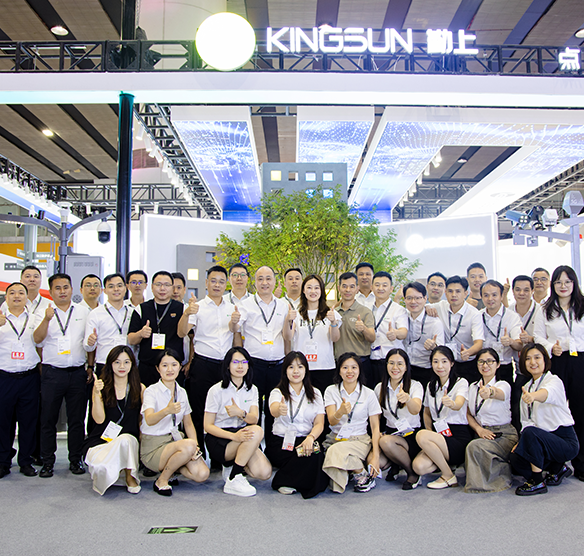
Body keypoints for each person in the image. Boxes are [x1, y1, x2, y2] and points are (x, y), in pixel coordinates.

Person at [33, 273, 90, 478]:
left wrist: (90, 366)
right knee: (48, 419)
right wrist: (47, 320)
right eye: (57, 288)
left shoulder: (83, 312)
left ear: (72, 289)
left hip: (77, 372)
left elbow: (89, 341)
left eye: (65, 287)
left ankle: (75, 460)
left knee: (77, 420)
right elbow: (37, 340)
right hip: (52, 373)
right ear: (50, 292)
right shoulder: (43, 312)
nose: (62, 291)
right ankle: (48, 462)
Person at [180, 265, 240, 452]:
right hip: (203, 364)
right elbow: (182, 332)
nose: (217, 285)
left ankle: (218, 455)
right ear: (206, 283)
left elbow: (235, 335)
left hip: (225, 367)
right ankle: (197, 451)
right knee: (199, 410)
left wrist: (234, 323)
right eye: (213, 281)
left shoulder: (232, 307)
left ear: (226, 284)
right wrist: (187, 313)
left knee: (223, 411)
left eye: (221, 282)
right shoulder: (197, 307)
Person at [533, 265, 584, 481]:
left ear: (574, 283)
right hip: (558, 360)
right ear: (553, 285)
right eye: (558, 282)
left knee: (580, 411)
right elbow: (538, 337)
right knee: (556, 411)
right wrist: (550, 346)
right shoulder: (545, 309)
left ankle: (581, 463)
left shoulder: (582, 306)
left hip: (580, 360)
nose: (563, 286)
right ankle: (557, 465)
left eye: (567, 282)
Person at [510, 344, 579, 496]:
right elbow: (526, 422)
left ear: (545, 360)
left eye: (537, 358)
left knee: (531, 433)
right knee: (515, 459)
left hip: (564, 441)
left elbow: (547, 393)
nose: (532, 362)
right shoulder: (527, 387)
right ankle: (558, 469)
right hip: (542, 440)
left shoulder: (554, 380)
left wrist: (533, 396)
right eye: (528, 359)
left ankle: (537, 482)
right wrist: (521, 443)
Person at [203, 347, 272, 497]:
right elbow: (207, 426)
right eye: (235, 362)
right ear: (228, 365)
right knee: (257, 431)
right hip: (220, 437)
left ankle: (232, 466)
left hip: (242, 433)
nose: (240, 366)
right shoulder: (216, 390)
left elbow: (254, 419)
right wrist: (234, 437)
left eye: (244, 362)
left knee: (264, 472)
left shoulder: (252, 389)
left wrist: (240, 413)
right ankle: (234, 476)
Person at [140, 349, 209, 496]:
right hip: (154, 446)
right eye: (165, 365)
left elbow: (188, 423)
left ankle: (172, 469)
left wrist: (196, 447)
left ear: (180, 367)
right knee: (188, 445)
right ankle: (162, 480)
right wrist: (167, 410)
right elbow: (149, 419)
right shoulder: (151, 391)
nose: (170, 369)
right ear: (158, 369)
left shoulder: (182, 392)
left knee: (202, 474)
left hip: (175, 442)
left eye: (174, 364)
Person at [82, 346, 144, 495]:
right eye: (117, 362)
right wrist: (96, 394)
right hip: (103, 442)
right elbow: (99, 420)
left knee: (126, 440)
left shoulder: (140, 388)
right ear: (110, 364)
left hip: (128, 441)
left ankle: (130, 476)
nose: (122, 366)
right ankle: (116, 468)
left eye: (126, 362)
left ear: (132, 364)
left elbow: (142, 422)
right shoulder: (101, 387)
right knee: (101, 468)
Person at [266, 351, 328, 498]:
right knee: (307, 459)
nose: (296, 371)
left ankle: (289, 480)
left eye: (300, 367)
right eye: (291, 367)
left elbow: (319, 423)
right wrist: (279, 409)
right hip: (281, 441)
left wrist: (311, 438)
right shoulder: (277, 392)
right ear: (285, 371)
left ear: (306, 370)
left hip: (305, 440)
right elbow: (273, 410)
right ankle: (282, 481)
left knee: (317, 455)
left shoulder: (315, 393)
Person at [413, 346, 471, 489]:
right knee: (418, 466)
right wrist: (429, 432)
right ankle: (448, 466)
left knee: (421, 435)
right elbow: (426, 412)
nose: (440, 366)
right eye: (435, 362)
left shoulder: (461, 382)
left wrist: (452, 404)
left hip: (457, 436)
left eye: (444, 361)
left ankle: (448, 475)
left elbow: (459, 404)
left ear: (452, 363)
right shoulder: (431, 386)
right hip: (438, 435)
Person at [0, 282, 42, 478]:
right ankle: (3, 461)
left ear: (27, 297)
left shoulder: (35, 319)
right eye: (12, 293)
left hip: (29, 377)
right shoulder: (0, 318)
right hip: (4, 377)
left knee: (28, 422)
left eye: (20, 293)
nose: (16, 296)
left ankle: (26, 461)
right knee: (3, 422)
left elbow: (41, 342)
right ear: (6, 297)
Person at [322, 353, 381, 493]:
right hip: (336, 438)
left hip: (359, 440)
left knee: (333, 453)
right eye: (345, 367)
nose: (349, 371)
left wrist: (375, 456)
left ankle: (356, 472)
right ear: (339, 370)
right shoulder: (331, 390)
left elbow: (375, 427)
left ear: (359, 370)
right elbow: (331, 421)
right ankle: (359, 470)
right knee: (333, 472)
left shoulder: (368, 393)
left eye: (354, 367)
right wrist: (340, 412)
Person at [239, 266, 288, 427]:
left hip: (277, 365)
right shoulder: (245, 305)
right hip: (254, 365)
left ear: (274, 281)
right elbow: (235, 329)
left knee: (274, 406)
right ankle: (254, 440)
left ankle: (272, 440)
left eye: (268, 278)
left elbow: (287, 335)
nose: (264, 283)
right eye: (260, 279)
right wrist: (233, 321)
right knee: (253, 406)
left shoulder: (283, 305)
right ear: (255, 282)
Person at [464, 348, 518, 493]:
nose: (485, 365)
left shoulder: (503, 385)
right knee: (475, 446)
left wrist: (489, 392)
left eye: (490, 361)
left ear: (498, 364)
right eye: (481, 362)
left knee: (475, 447)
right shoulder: (473, 387)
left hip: (503, 434)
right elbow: (468, 414)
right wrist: (479, 429)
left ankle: (491, 481)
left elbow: (498, 393)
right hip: (482, 432)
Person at [373, 349, 423, 490]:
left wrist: (408, 399)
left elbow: (416, 409)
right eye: (391, 363)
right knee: (380, 462)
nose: (395, 368)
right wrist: (377, 433)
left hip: (410, 434)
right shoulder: (379, 388)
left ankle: (411, 472)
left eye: (400, 364)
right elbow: (376, 417)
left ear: (406, 367)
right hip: (391, 432)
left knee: (386, 442)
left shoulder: (415, 385)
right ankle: (396, 463)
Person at [284, 274, 341, 394]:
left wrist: (333, 322)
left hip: (325, 366)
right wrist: (288, 320)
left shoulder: (330, 313)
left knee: (324, 402)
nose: (313, 291)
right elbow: (288, 337)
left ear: (321, 290)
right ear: (303, 290)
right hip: (302, 368)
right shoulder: (296, 314)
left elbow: (335, 338)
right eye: (309, 287)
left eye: (316, 288)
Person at [128, 270, 186, 387]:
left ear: (172, 287)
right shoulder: (141, 309)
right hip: (148, 367)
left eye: (167, 285)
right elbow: (131, 339)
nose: (162, 288)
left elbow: (188, 335)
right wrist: (141, 333)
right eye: (158, 284)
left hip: (172, 368)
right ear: (152, 287)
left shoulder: (182, 309)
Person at [430, 276, 484, 383]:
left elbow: (479, 343)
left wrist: (468, 352)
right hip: (446, 364)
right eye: (450, 291)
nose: (453, 295)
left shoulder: (474, 314)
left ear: (465, 293)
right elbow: (420, 306)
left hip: (467, 363)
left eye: (458, 291)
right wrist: (428, 309)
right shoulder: (440, 306)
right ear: (445, 293)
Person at [84, 273, 131, 374]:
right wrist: (90, 342)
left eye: (119, 285)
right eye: (111, 286)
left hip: (128, 364)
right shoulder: (95, 313)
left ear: (125, 288)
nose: (116, 289)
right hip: (104, 363)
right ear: (104, 290)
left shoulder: (132, 312)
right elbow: (87, 347)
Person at [334, 272, 375, 384]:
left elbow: (372, 338)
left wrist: (364, 329)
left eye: (352, 286)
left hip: (361, 363)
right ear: (339, 288)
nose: (348, 290)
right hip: (339, 364)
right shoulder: (333, 313)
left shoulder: (365, 311)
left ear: (357, 289)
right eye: (344, 286)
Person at [479, 280, 522, 385]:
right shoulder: (477, 316)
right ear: (481, 297)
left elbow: (519, 345)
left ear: (502, 296)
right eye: (486, 295)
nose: (490, 299)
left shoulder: (512, 317)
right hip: (482, 366)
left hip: (503, 367)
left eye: (494, 295)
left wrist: (511, 341)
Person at [369, 271, 408, 387]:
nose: (380, 288)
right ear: (371, 288)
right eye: (377, 285)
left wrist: (395, 333)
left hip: (390, 361)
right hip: (371, 359)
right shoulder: (366, 308)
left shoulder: (398, 309)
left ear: (391, 289)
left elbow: (404, 332)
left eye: (384, 285)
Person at [403, 282, 445, 388]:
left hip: (426, 370)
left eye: (418, 298)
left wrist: (434, 347)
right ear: (404, 299)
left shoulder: (434, 322)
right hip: (405, 368)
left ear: (425, 298)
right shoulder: (402, 317)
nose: (413, 302)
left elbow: (441, 350)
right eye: (409, 298)